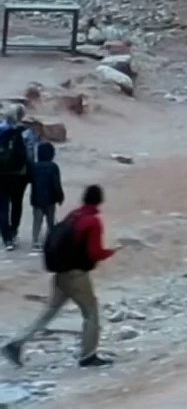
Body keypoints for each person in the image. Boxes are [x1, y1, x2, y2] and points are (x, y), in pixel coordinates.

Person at [1, 183, 109, 368]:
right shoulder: (92, 221)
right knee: (91, 313)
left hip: (60, 273)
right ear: (99, 200)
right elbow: (94, 253)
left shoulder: (74, 215)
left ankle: (16, 343)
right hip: (77, 275)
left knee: (49, 313)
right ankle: (88, 355)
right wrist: (109, 252)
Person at [19, 133, 57, 251]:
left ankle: (35, 241)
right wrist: (59, 197)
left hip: (36, 199)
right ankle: (52, 239)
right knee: (51, 221)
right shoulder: (53, 167)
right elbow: (56, 184)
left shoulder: (34, 167)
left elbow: (29, 180)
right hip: (51, 199)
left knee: (37, 221)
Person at [0, 113, 29, 246]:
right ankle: (14, 231)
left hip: (1, 175)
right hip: (19, 175)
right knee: (17, 204)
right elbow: (30, 152)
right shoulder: (24, 131)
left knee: (3, 207)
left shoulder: (1, 130)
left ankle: (7, 239)